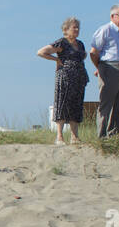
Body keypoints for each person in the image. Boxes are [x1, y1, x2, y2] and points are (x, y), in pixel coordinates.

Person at [37, 16, 88, 144]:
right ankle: (59, 136)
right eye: (74, 27)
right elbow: (41, 52)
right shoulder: (62, 43)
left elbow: (84, 55)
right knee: (62, 104)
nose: (76, 29)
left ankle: (74, 136)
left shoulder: (80, 44)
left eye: (78, 27)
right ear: (66, 29)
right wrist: (56, 60)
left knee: (76, 105)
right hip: (65, 77)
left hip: (79, 78)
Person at [89, 4, 119, 138]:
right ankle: (101, 136)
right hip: (110, 67)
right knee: (106, 103)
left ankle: (115, 133)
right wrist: (100, 67)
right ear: (112, 16)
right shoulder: (105, 30)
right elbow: (94, 52)